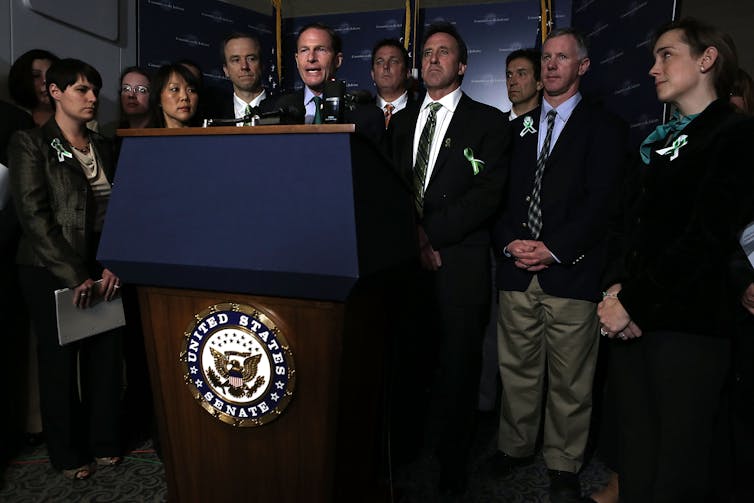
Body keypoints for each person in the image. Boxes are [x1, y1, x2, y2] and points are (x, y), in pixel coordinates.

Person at [597, 18, 754, 503]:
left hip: (689, 330)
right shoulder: (661, 140)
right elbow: (630, 228)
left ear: (707, 60)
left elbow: (706, 240)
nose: (652, 69)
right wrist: (616, 290)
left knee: (679, 468)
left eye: (666, 55)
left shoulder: (735, 135)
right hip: (635, 324)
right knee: (637, 457)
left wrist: (634, 302)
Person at [490, 27, 628, 502]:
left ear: (582, 67)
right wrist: (511, 243)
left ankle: (564, 463)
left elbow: (602, 204)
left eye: (561, 58)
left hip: (572, 273)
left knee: (571, 380)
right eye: (546, 58)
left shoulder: (605, 128)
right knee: (517, 371)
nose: (550, 66)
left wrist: (552, 248)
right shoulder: (516, 130)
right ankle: (514, 447)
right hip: (515, 272)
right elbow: (499, 198)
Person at [387, 22, 509, 496]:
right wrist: (410, 238)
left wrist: (428, 234)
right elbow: (389, 189)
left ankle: (453, 465)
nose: (433, 59)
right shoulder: (401, 119)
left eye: (444, 53)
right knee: (410, 363)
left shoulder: (489, 122)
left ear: (461, 66)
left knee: (458, 370)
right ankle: (407, 452)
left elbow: (487, 195)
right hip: (405, 268)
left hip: (458, 266)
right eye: (428, 52)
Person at [8, 58, 124, 480]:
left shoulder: (106, 145)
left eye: (94, 88)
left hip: (102, 263)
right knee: (59, 362)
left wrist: (113, 262)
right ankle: (67, 452)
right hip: (49, 266)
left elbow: (123, 212)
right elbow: (33, 216)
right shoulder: (30, 143)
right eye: (80, 89)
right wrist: (74, 274)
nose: (92, 97)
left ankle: (106, 441)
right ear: (55, 93)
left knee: (106, 356)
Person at [270, 22, 384, 142]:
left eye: (320, 50)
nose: (311, 58)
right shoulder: (279, 110)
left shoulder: (368, 116)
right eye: (304, 50)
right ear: (297, 61)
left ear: (337, 60)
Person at [210, 33, 267, 124]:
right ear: (226, 70)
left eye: (251, 59)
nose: (244, 66)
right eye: (236, 60)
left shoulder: (284, 110)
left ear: (262, 65)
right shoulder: (213, 117)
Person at [8, 49, 60, 127]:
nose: (45, 81)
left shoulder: (78, 120)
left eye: (50, 74)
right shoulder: (14, 122)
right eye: (36, 76)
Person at [371, 38, 416, 127]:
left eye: (393, 61)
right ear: (372, 74)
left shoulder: (420, 112)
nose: (385, 66)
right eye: (380, 62)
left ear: (407, 72)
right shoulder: (360, 114)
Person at [150, 63, 200, 128]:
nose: (184, 97)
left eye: (191, 90)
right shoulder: (146, 137)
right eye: (175, 89)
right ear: (158, 99)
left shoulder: (209, 136)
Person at [505, 48, 543, 119]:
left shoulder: (549, 126)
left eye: (521, 74)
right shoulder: (495, 124)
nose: (512, 82)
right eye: (509, 75)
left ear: (539, 83)